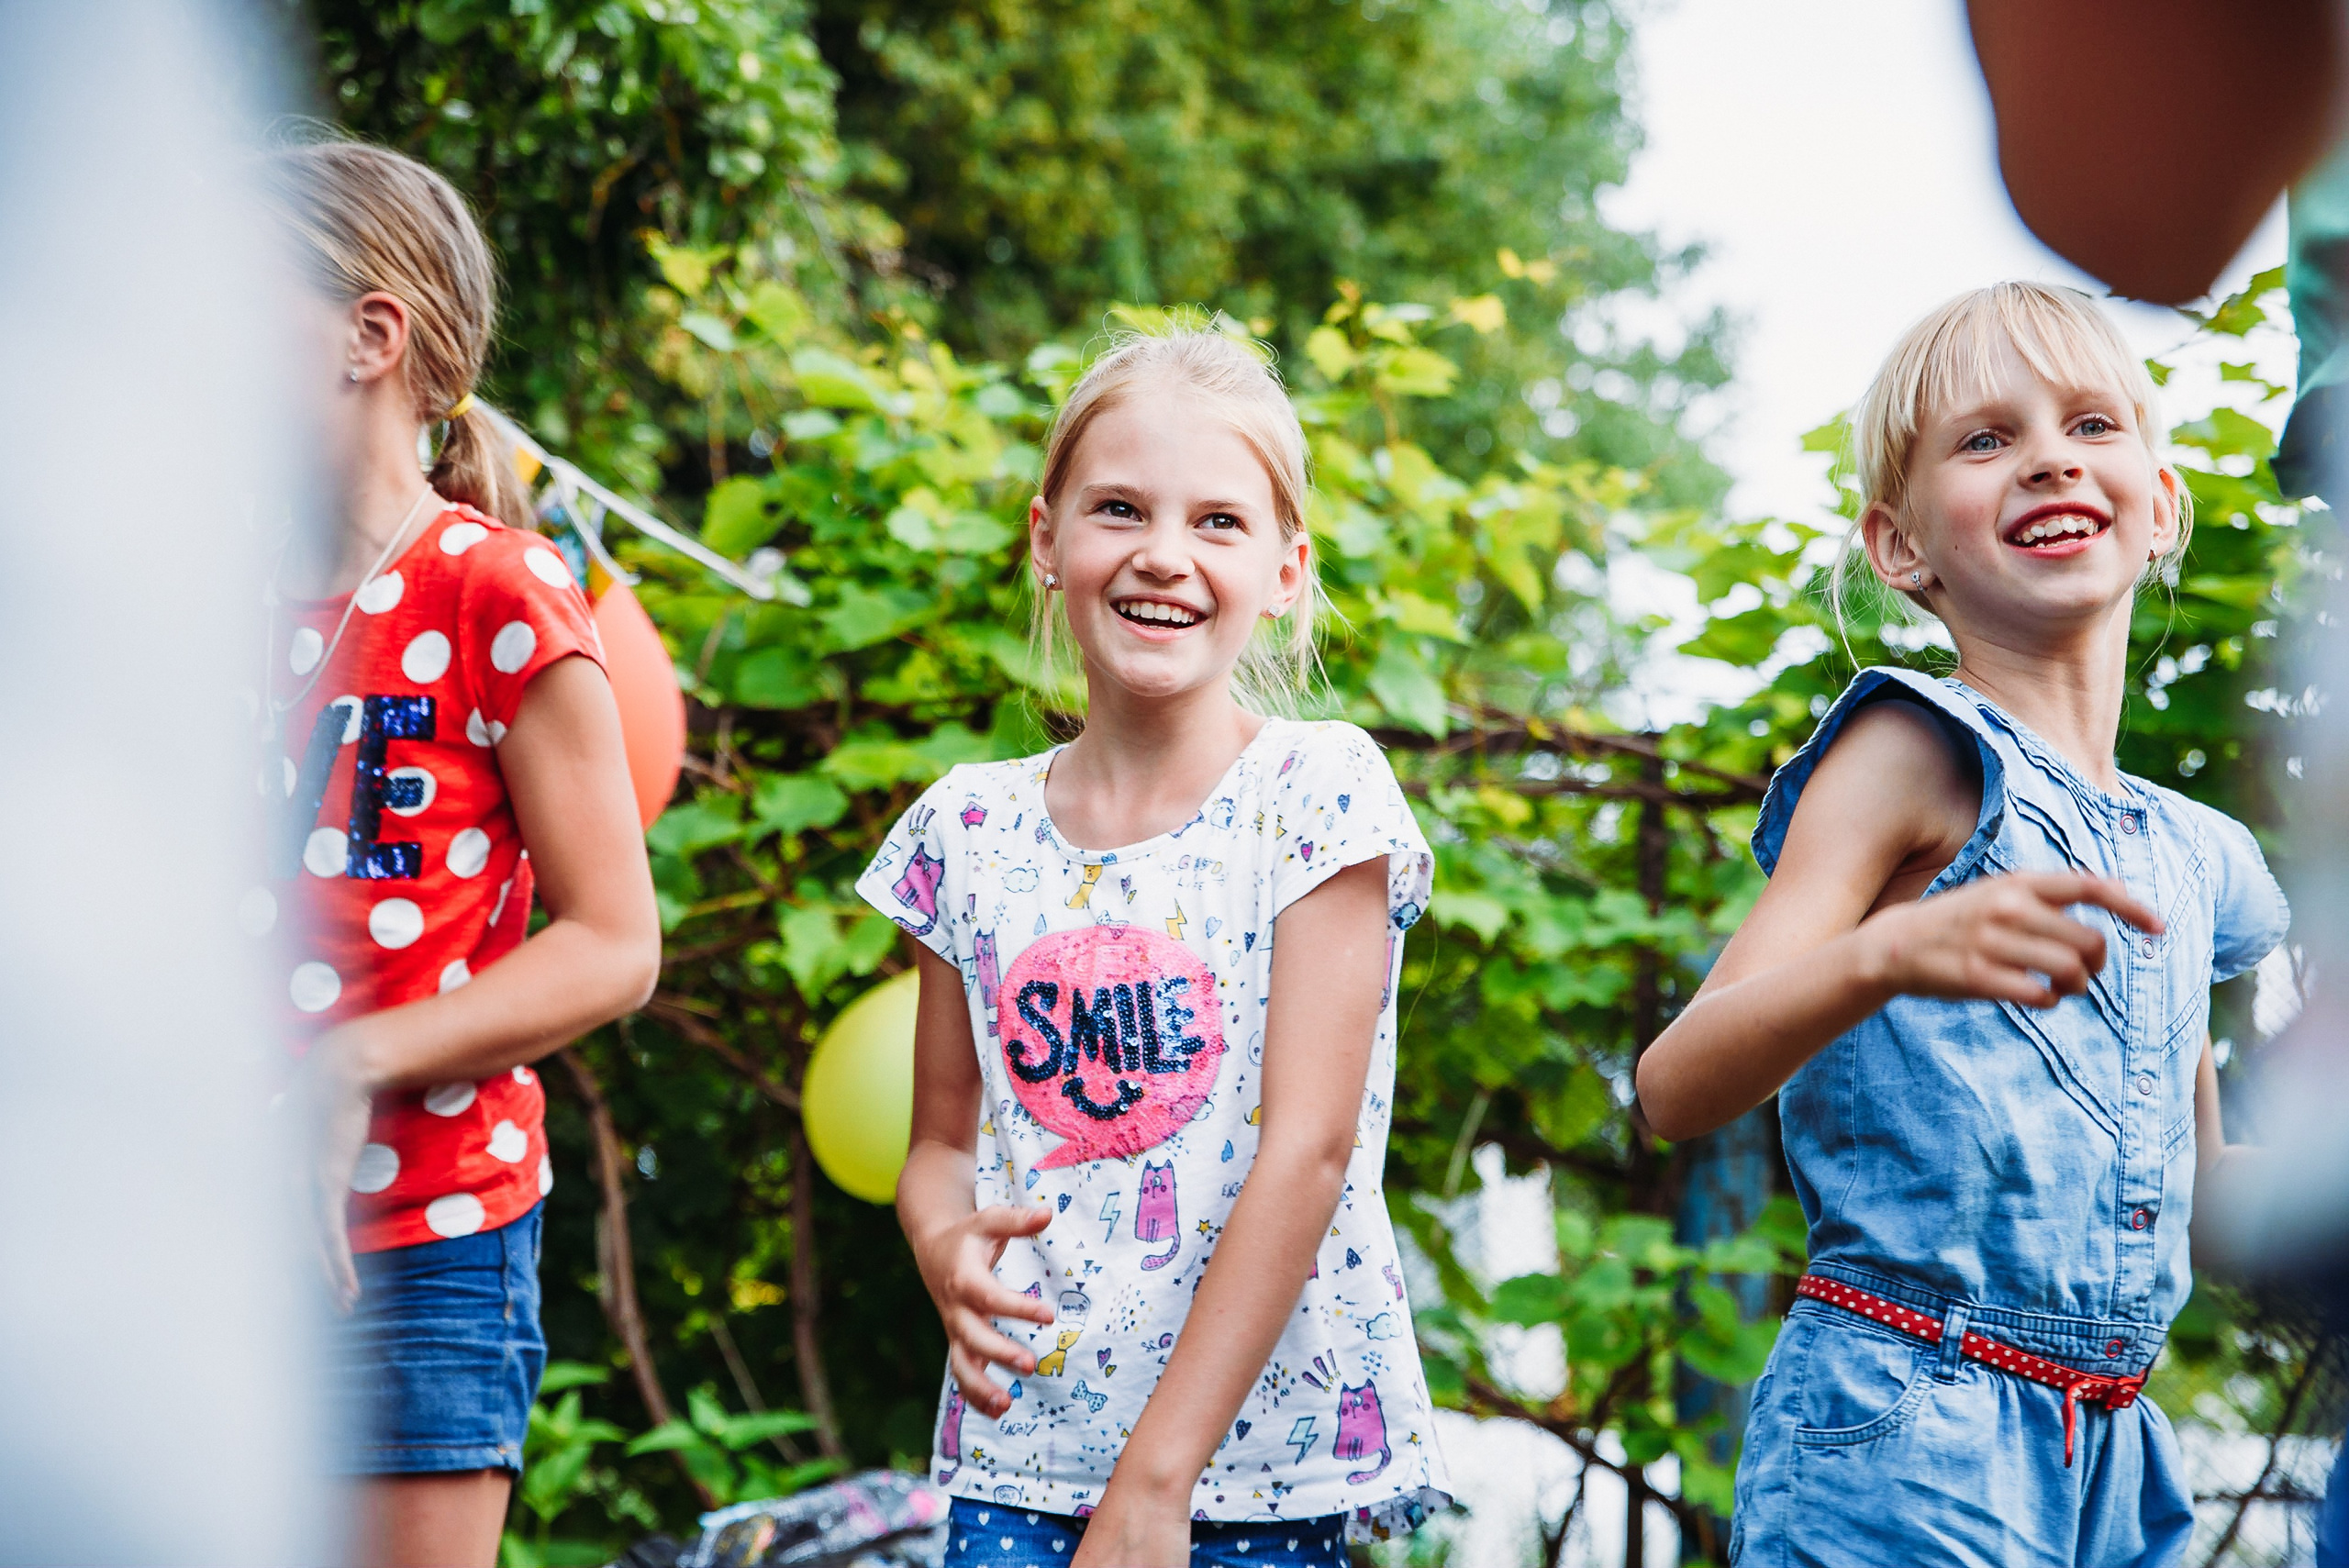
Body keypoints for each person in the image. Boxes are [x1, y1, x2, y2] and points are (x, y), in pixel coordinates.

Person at [1634, 283, 2290, 1567]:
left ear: (2159, 508)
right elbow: (1674, 1082)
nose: (2048, 454)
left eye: (2091, 424)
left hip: (2113, 1457)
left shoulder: (2190, 853)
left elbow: (2204, 1194)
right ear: (1901, 546)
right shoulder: (1914, 751)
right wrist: (1888, 950)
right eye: (1985, 441)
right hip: (1903, 1429)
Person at [855, 326, 1451, 1568]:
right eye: (1119, 508)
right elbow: (936, 1146)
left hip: (1248, 1476)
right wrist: (936, 1237)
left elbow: (1311, 1150)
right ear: (1044, 537)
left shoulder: (1317, 792)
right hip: (1021, 1452)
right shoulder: (966, 826)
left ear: (1287, 570)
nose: (1163, 556)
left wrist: (1153, 1482)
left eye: (1218, 523)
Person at [261, 139, 662, 1568]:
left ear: (374, 336)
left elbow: (617, 942)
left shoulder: (497, 586)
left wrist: (353, 1064)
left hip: (424, 1236)